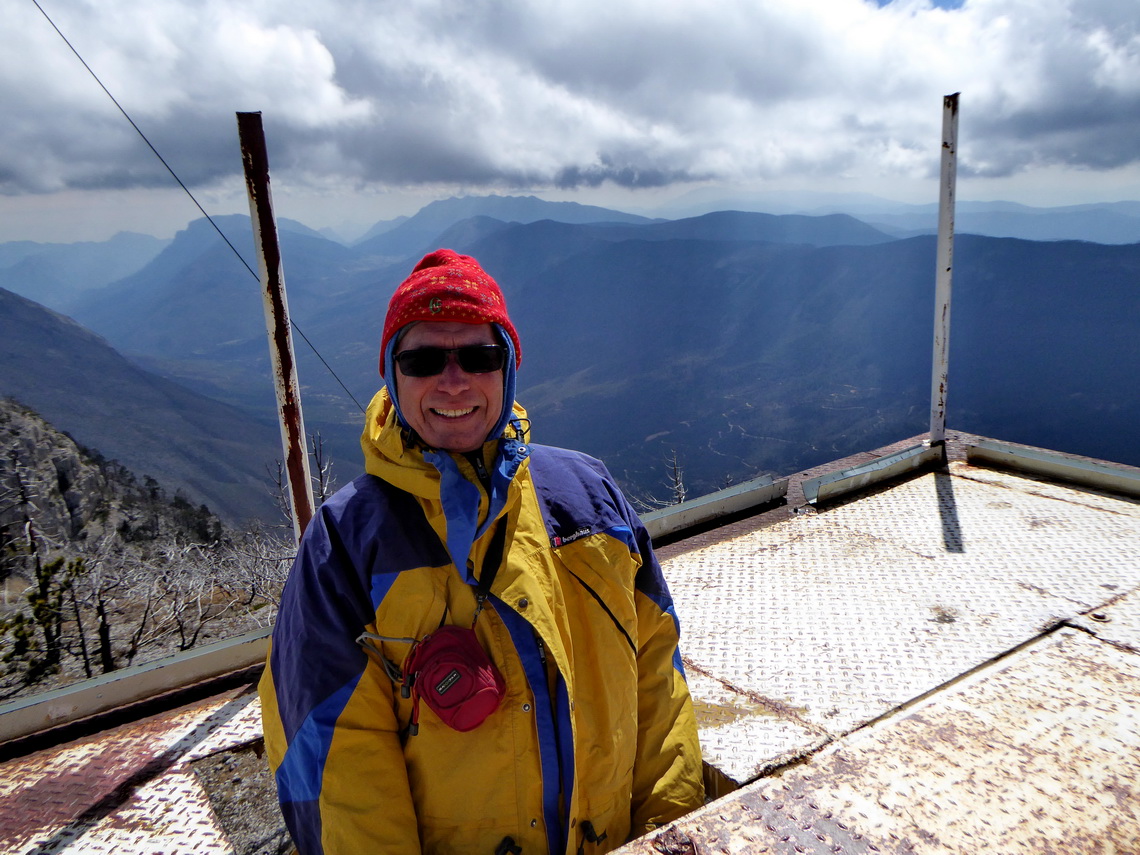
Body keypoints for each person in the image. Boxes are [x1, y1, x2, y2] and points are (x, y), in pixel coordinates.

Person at [259, 249, 705, 855]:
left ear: (507, 368)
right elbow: (337, 769)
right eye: (422, 359)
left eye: (479, 355)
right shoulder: (346, 546)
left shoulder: (589, 497)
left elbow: (659, 683)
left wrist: (670, 835)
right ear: (392, 374)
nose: (454, 379)